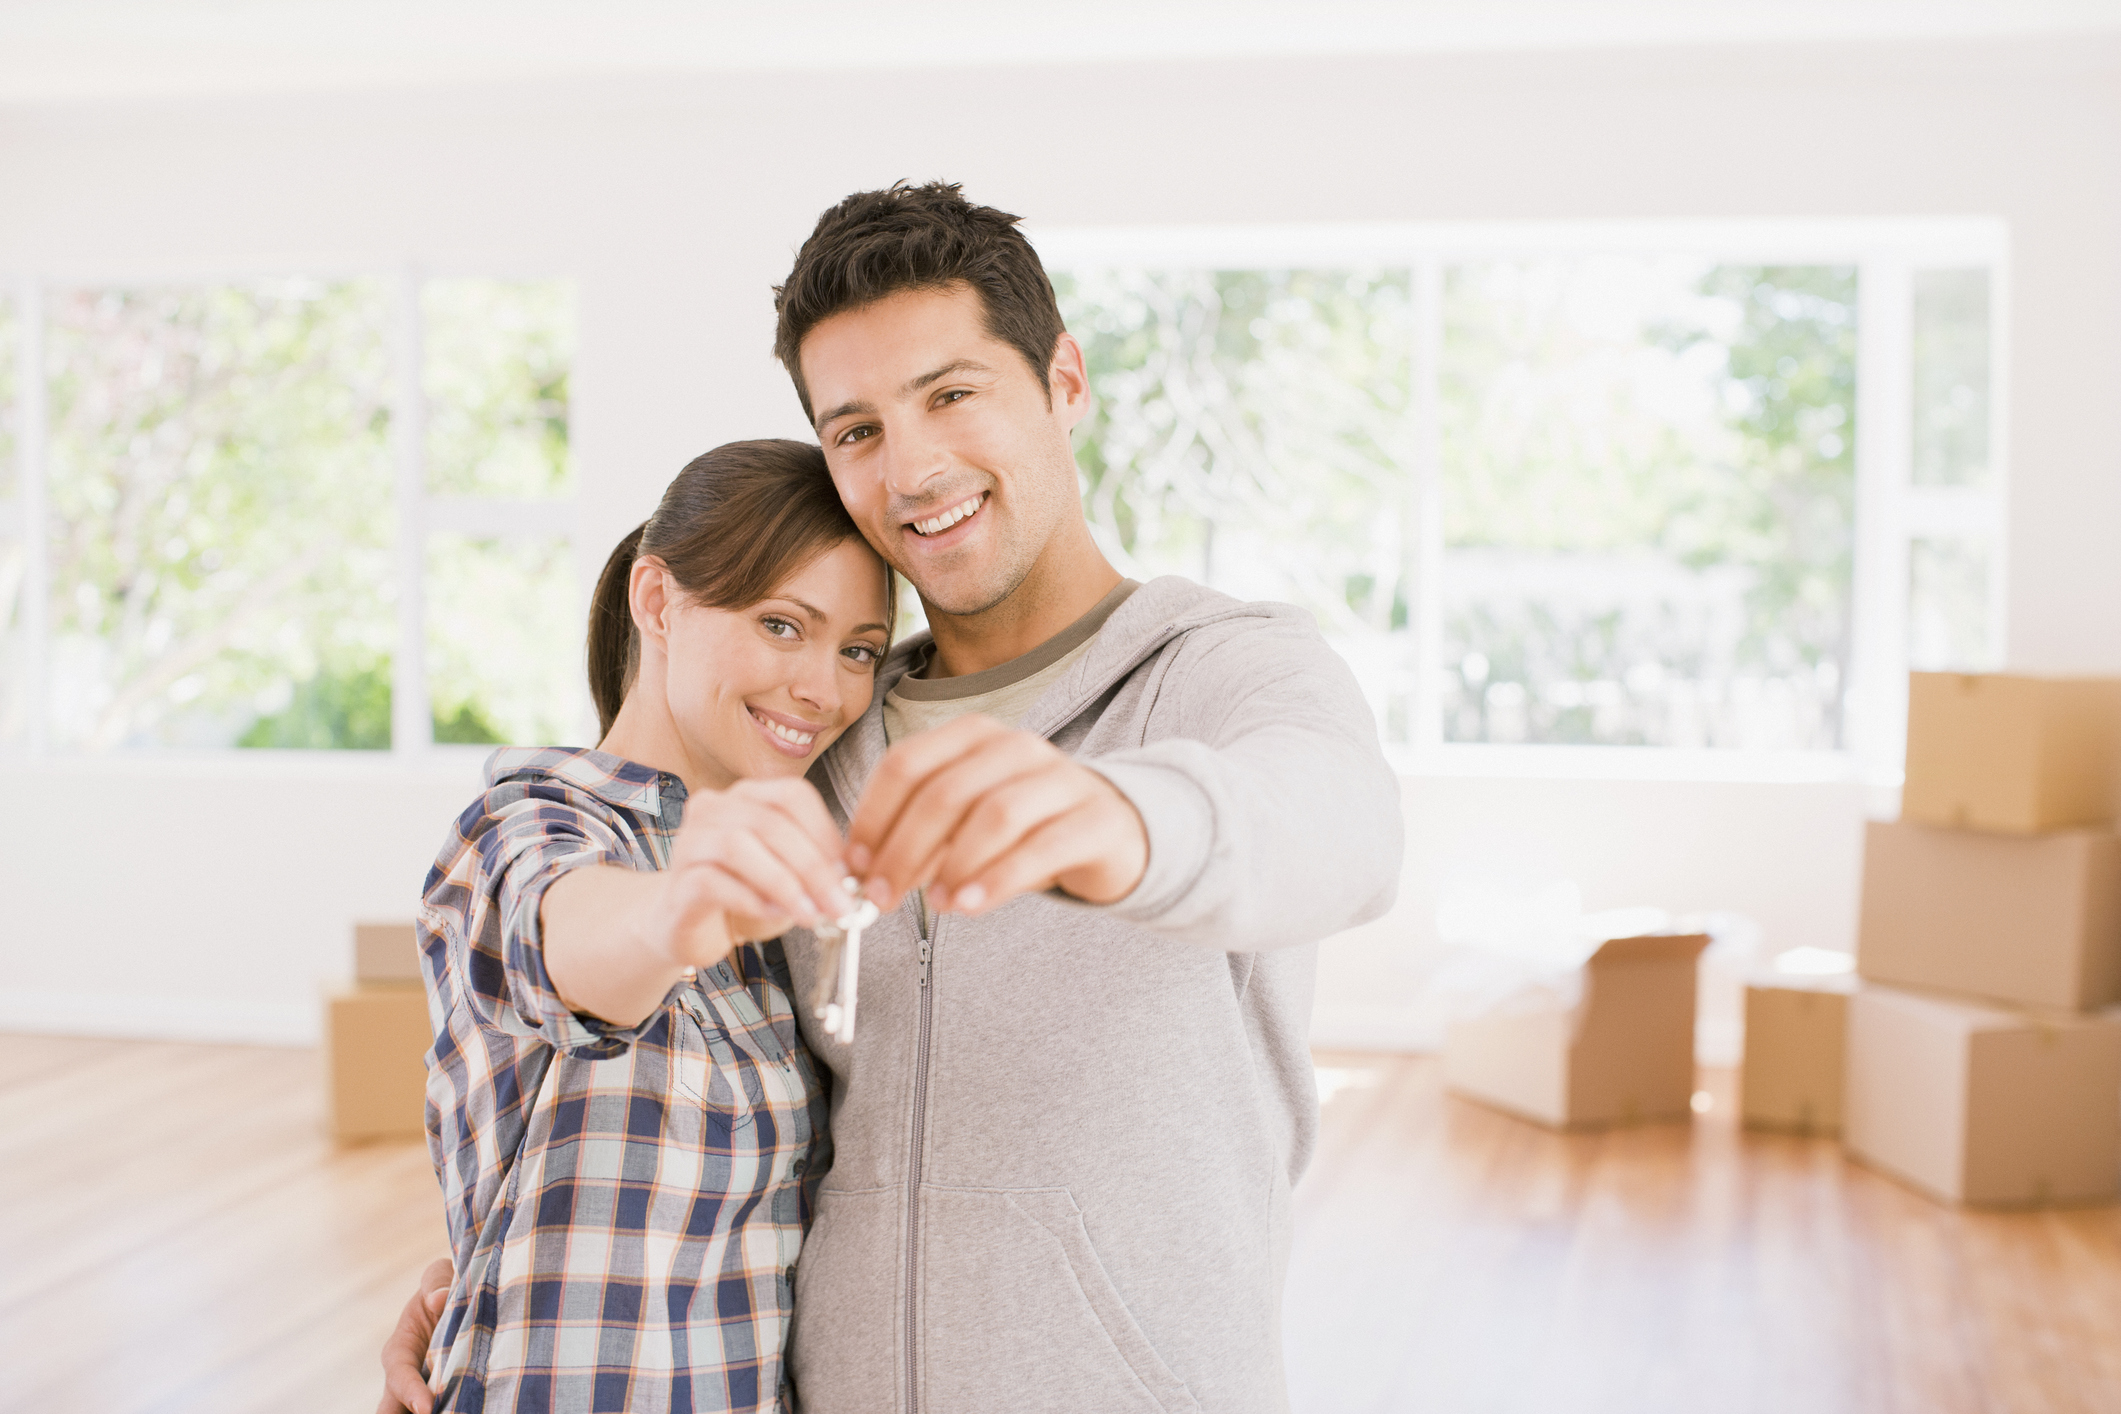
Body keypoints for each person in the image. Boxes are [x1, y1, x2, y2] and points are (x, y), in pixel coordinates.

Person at [387, 183, 1402, 1414]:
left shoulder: (1220, 672)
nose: (913, 466)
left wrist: (1124, 820)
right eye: (856, 428)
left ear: (1064, 382)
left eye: (953, 393)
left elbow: (1342, 822)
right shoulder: (816, 754)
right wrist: (487, 1277)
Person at [404, 439, 892, 1413]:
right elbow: (578, 944)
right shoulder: (530, 821)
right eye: (781, 624)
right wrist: (675, 909)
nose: (824, 686)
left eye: (858, 649)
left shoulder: (780, 889)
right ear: (658, 601)